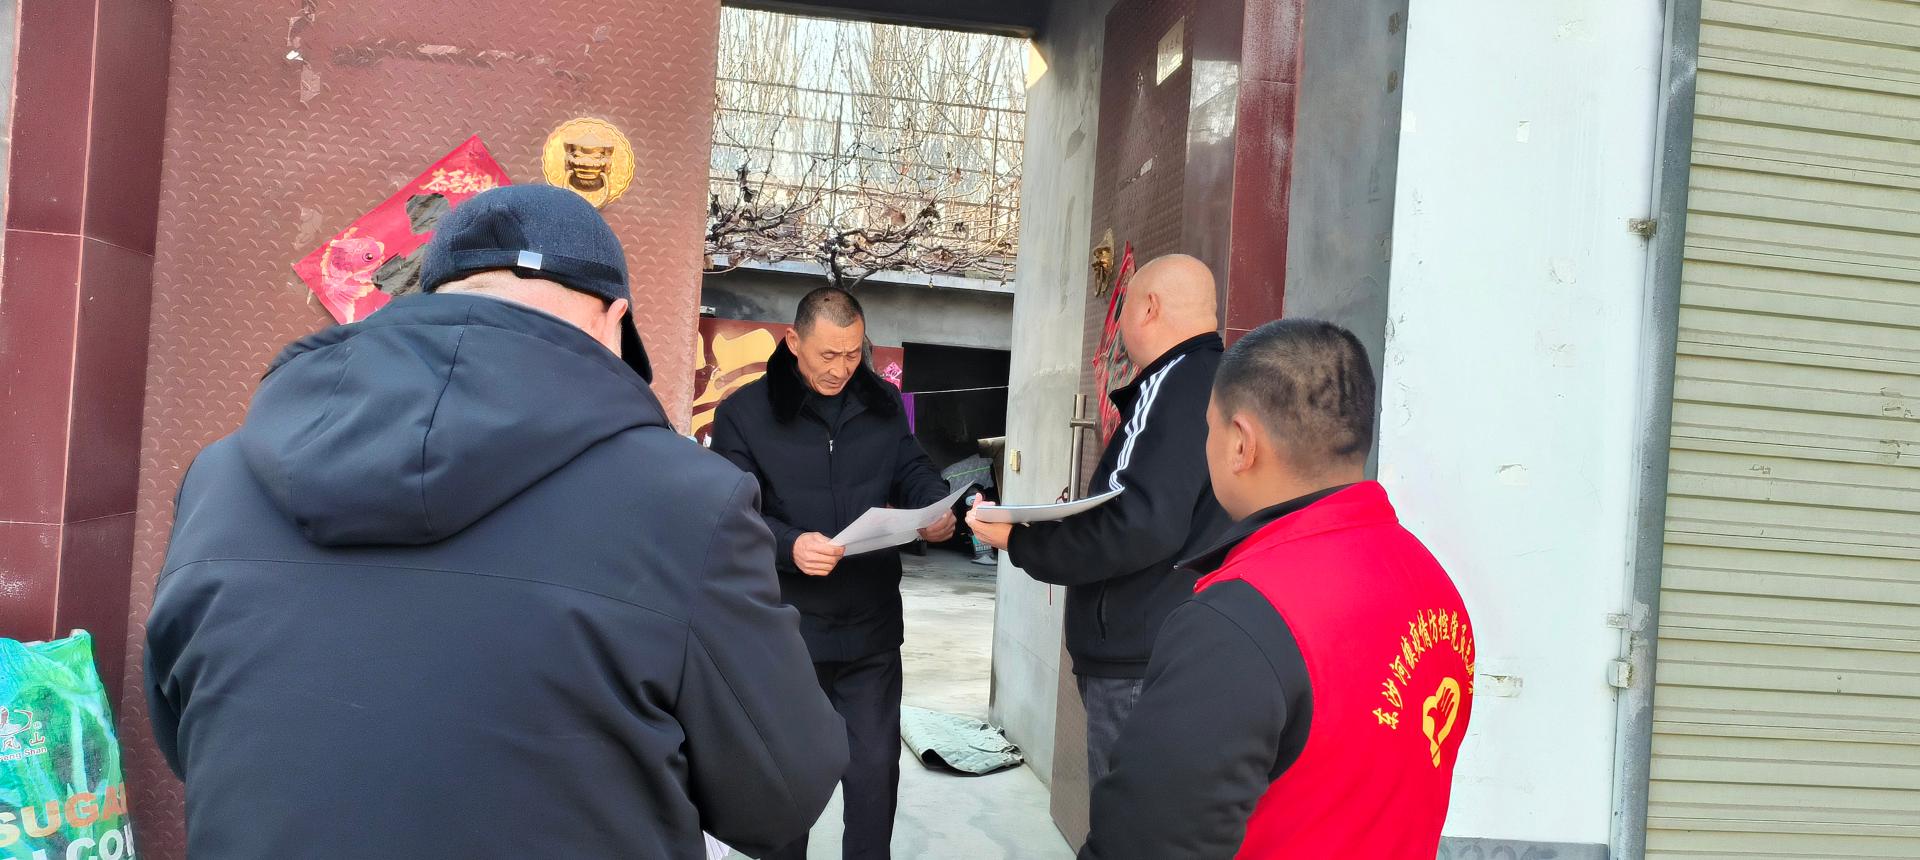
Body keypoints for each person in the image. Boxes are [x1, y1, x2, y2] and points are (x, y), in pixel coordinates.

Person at [144, 185, 847, 859]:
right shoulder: (689, 500)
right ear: (613, 319)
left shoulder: (220, 478)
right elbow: (781, 793)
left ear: (435, 297)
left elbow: (185, 730)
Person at [1080, 319, 1476, 859]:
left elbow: (1143, 845)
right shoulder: (1432, 583)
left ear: (1241, 444)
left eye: (1209, 429)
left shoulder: (1236, 620)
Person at [709, 287, 957, 860]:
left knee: (874, 775)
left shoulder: (881, 403)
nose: (841, 370)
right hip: (785, 632)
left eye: (852, 354)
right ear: (793, 341)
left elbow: (913, 470)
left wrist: (934, 508)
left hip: (869, 628)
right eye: (828, 355)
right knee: (785, 781)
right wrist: (789, 545)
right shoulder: (744, 413)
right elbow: (728, 511)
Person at [968, 254, 1232, 788]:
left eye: (1123, 306)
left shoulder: (1172, 385)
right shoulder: (1221, 382)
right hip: (1177, 643)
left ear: (1149, 308)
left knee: (1126, 821)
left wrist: (1021, 541)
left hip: (1139, 654)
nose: (1118, 326)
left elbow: (1136, 524)